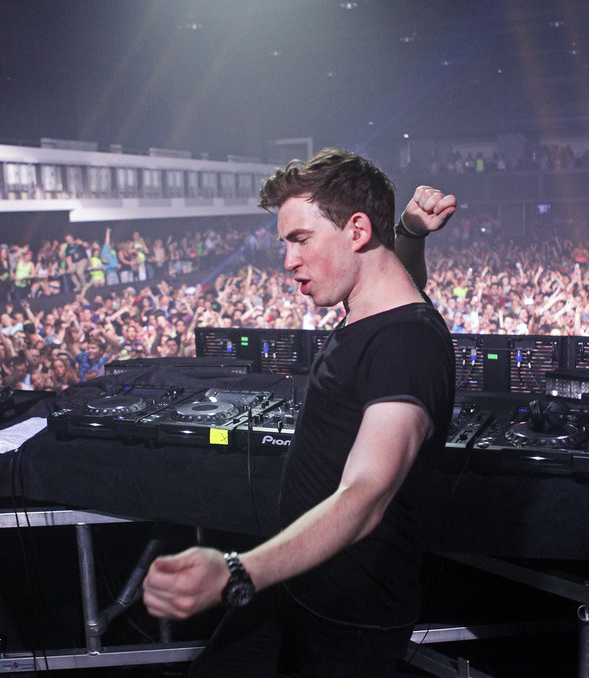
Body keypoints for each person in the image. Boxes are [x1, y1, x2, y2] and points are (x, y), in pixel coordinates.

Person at [142, 149, 457, 678]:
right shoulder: (378, 308)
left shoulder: (407, 346)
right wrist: (408, 232)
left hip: (347, 616)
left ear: (357, 230)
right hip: (302, 580)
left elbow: (366, 493)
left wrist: (239, 572)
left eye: (301, 239)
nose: (288, 262)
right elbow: (402, 283)